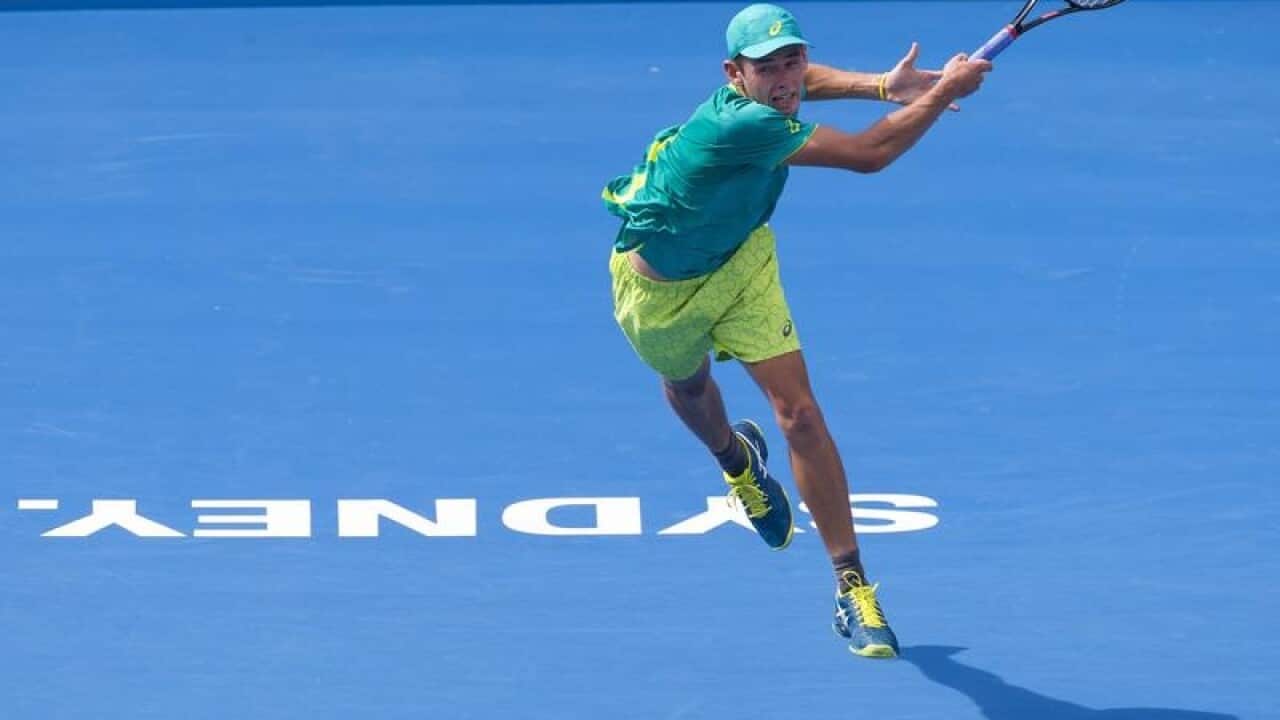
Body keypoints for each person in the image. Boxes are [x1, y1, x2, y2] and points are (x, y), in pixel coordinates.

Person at [601, 3, 991, 659]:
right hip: (658, 291)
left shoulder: (775, 90)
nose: (784, 80)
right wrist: (947, 90)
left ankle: (853, 587)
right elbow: (870, 154)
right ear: (734, 74)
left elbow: (808, 85)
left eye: (792, 61)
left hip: (743, 265)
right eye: (766, 69)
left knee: (801, 415)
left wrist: (882, 86)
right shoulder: (740, 127)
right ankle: (736, 463)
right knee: (689, 388)